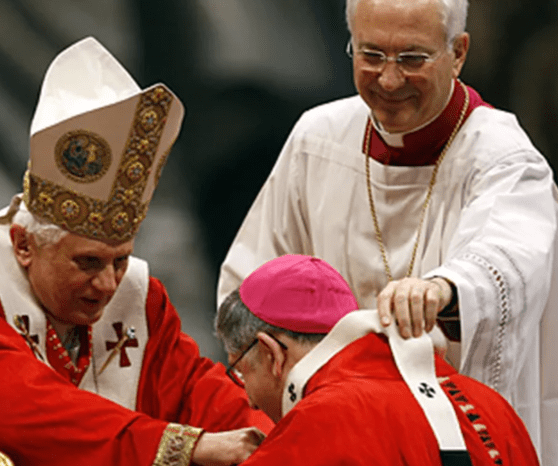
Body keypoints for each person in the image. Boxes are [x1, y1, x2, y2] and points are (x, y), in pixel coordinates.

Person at [0, 37, 271, 466]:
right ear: (24, 245)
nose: (108, 283)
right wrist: (190, 446)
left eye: (120, 260)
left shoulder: (140, 301)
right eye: (88, 262)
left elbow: (199, 391)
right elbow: (23, 415)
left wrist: (275, 444)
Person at [217, 0, 558, 461]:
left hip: (446, 437)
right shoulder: (318, 138)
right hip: (336, 435)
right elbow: (251, 291)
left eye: (412, 59)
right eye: (371, 55)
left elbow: (510, 254)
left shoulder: (502, 156)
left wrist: (444, 289)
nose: (390, 80)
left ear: (458, 52)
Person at [216, 254, 540, 465]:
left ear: (271, 352)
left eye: (241, 371)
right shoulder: (491, 405)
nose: (251, 402)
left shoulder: (312, 430)